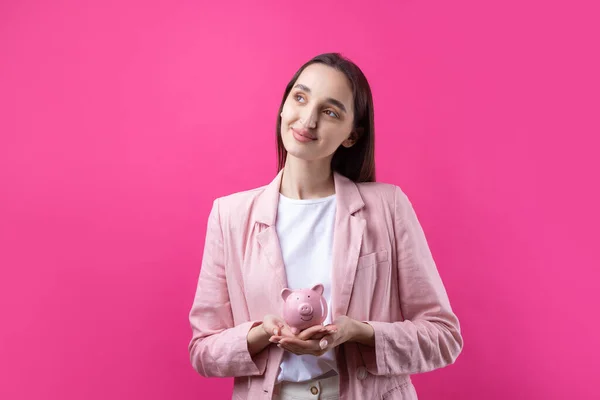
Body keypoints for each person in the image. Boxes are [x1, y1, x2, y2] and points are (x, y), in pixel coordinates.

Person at [188, 53, 463, 400]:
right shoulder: (229, 215)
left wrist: (360, 333)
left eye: (330, 111)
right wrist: (261, 333)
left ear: (351, 135)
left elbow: (444, 337)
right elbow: (203, 349)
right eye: (300, 98)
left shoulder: (388, 207)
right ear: (283, 107)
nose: (308, 119)